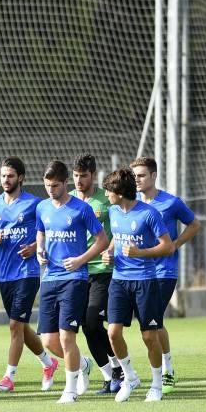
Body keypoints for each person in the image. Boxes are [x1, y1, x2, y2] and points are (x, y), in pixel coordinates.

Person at [0, 157, 59, 393]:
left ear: (21, 178)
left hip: (27, 272)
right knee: (21, 327)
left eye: (10, 176)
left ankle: (9, 377)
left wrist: (35, 248)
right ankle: (48, 363)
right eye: (3, 175)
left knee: (15, 325)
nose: (6, 180)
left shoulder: (35, 204)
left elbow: (49, 231)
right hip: (4, 275)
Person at [36, 161, 107, 404]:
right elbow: (41, 232)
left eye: (55, 185)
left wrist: (81, 260)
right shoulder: (42, 207)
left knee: (67, 337)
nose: (50, 190)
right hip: (50, 278)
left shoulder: (81, 209)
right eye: (47, 185)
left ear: (65, 182)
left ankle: (70, 390)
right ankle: (83, 364)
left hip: (74, 279)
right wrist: (39, 249)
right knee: (48, 340)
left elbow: (102, 239)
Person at [102, 168, 174, 402]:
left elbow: (167, 246)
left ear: (120, 192)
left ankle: (156, 385)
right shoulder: (113, 211)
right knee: (113, 333)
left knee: (149, 337)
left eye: (109, 190)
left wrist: (140, 252)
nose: (106, 195)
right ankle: (130, 377)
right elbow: (117, 235)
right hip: (119, 281)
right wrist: (109, 252)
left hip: (145, 282)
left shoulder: (149, 214)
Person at [130, 157, 200, 394]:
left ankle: (165, 371)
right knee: (152, 322)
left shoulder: (171, 203)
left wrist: (175, 244)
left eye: (141, 175)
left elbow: (194, 224)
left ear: (153, 176)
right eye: (134, 176)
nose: (136, 180)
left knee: (153, 320)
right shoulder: (131, 203)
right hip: (137, 273)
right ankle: (165, 367)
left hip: (164, 271)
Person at [70, 154, 123, 394]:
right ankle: (109, 374)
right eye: (76, 175)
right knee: (85, 325)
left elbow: (119, 230)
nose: (79, 180)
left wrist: (110, 249)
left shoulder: (106, 201)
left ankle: (119, 370)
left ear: (94, 175)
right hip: (75, 273)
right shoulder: (67, 200)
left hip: (103, 272)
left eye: (83, 176)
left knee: (92, 322)